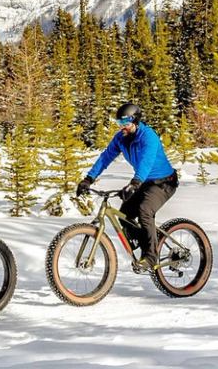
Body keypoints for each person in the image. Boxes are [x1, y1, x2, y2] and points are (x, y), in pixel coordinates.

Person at [76, 102, 178, 268]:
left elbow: (146, 162)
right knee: (125, 214)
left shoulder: (148, 137)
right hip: (144, 182)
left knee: (145, 210)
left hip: (164, 182)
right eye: (119, 124)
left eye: (126, 124)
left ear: (136, 122)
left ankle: (151, 256)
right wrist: (89, 178)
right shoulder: (121, 138)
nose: (122, 127)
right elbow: (105, 157)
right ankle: (147, 242)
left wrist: (135, 183)